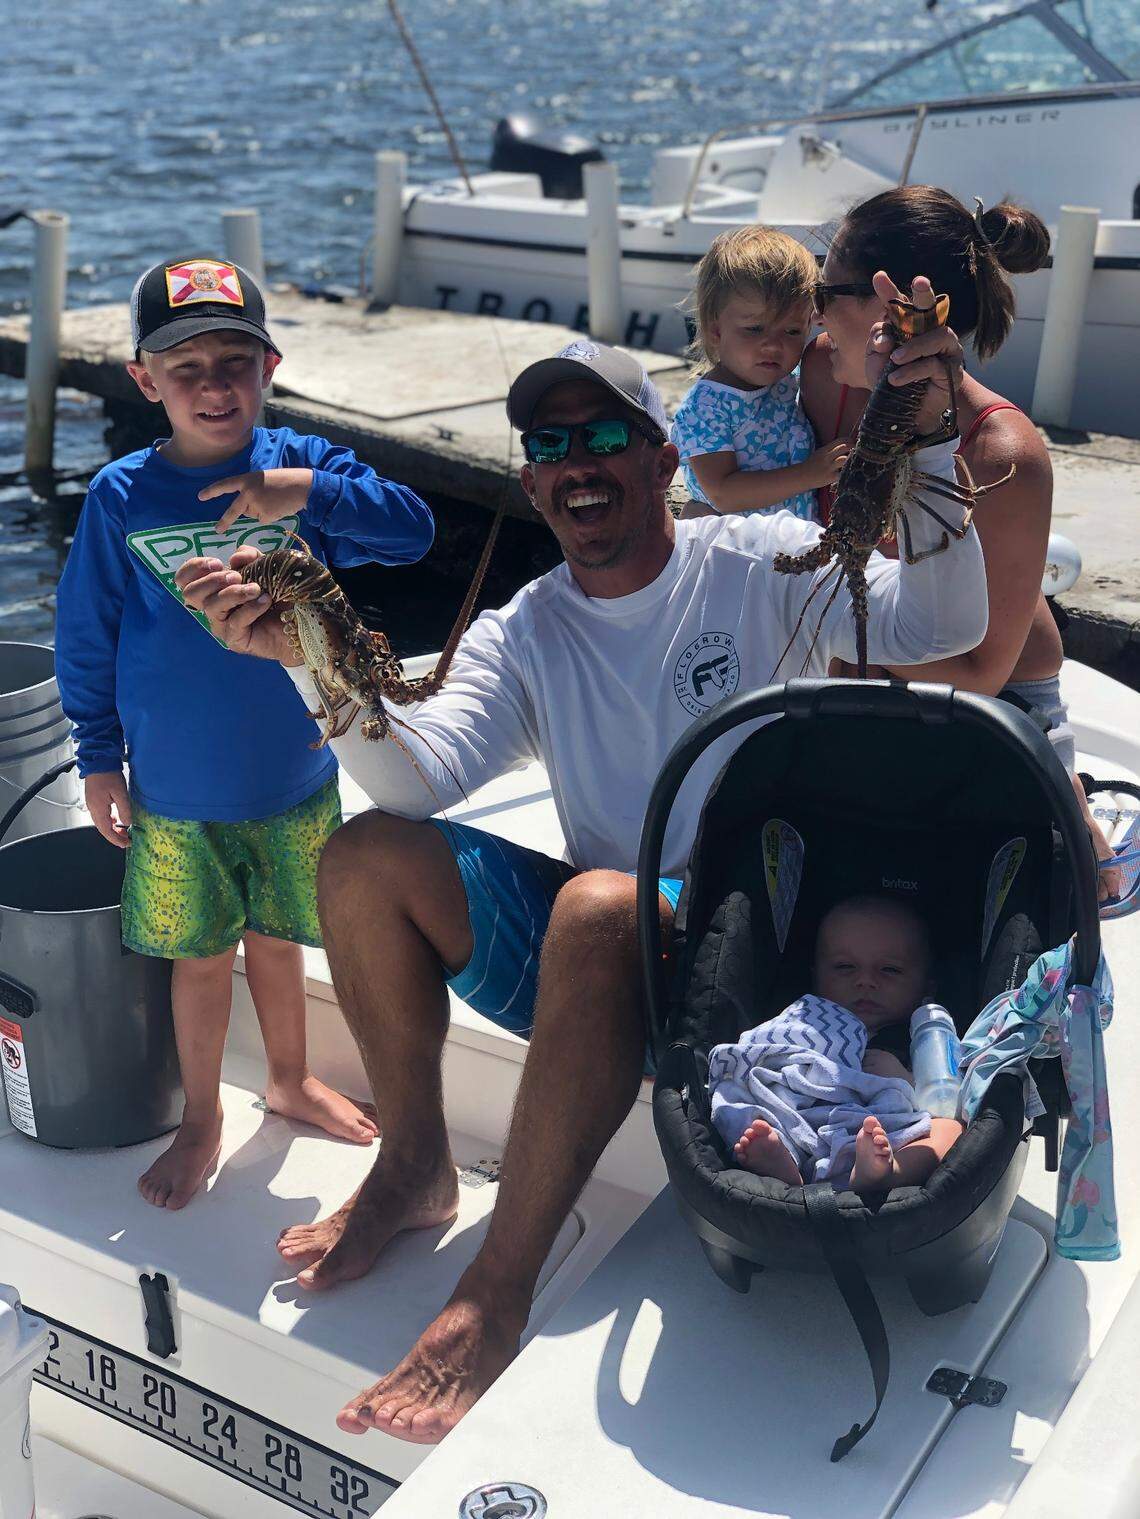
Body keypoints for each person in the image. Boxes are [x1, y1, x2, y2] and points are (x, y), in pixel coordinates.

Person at [176, 291, 986, 1444]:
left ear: (662, 457)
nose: (575, 462)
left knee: (601, 900)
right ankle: (415, 1164)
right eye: (548, 446)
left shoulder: (755, 562)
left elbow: (939, 619)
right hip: (609, 958)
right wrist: (302, 652)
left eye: (603, 435)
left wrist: (938, 436)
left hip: (770, 962)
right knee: (363, 856)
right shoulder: (526, 627)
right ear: (530, 483)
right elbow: (416, 778)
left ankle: (494, 1290)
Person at [55, 255, 435, 1210]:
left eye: (236, 360)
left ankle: (289, 1078)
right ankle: (202, 1117)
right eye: (186, 367)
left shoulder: (304, 467)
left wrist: (300, 492)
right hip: (174, 791)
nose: (214, 385)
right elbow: (85, 633)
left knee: (279, 942)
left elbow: (416, 532)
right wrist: (99, 756)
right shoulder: (117, 499)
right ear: (144, 381)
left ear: (271, 366)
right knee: (198, 959)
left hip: (299, 770)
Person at [800, 185, 1119, 897]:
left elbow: (976, 668)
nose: (811, 310)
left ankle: (1066, 785)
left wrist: (927, 437)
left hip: (993, 684)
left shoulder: (1005, 452)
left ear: (888, 312)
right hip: (863, 655)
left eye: (825, 287)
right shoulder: (827, 375)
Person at [710, 895, 964, 1194]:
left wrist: (906, 1081)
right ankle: (785, 1162)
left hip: (885, 1134)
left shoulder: (922, 1034)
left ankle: (888, 1172)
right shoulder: (805, 1020)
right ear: (816, 977)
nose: (866, 981)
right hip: (798, 1118)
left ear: (926, 987)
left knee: (951, 1130)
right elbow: (763, 1056)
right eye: (845, 967)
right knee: (736, 1093)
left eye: (890, 970)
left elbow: (943, 1095)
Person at [670, 227, 847, 520]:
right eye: (754, 329)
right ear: (716, 331)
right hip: (739, 555)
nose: (773, 345)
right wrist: (809, 474)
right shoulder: (706, 407)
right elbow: (723, 493)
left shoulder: (787, 383)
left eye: (791, 331)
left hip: (792, 547)